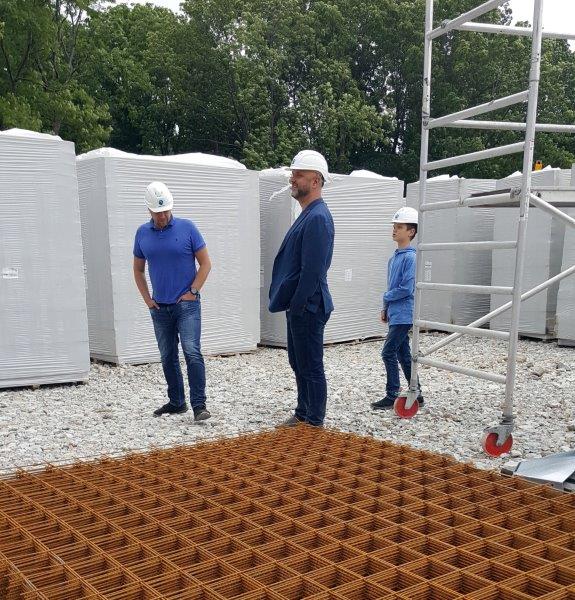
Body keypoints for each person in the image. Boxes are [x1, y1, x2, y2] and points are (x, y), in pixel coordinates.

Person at [133, 181, 212, 421]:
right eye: (158, 212)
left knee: (191, 351)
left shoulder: (188, 228)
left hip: (186, 305)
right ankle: (177, 402)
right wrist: (147, 300)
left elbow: (205, 263)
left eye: (166, 211)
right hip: (160, 307)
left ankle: (199, 405)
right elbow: (138, 269)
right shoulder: (142, 233)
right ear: (149, 210)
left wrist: (193, 291)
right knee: (167, 355)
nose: (163, 216)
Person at [269, 150, 335, 428]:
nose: (292, 179)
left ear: (316, 181)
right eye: (293, 174)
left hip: (309, 305)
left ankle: (314, 421)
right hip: (302, 304)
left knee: (310, 365)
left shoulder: (318, 217)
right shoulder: (309, 214)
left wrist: (297, 304)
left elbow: (313, 270)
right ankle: (303, 413)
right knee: (299, 362)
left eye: (299, 174)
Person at [372, 206, 423, 410]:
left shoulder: (411, 258)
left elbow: (406, 289)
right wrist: (385, 308)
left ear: (411, 231)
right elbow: (391, 286)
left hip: (405, 314)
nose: (394, 230)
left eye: (399, 227)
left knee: (388, 352)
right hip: (395, 314)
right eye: (394, 226)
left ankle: (392, 393)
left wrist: (386, 297)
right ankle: (417, 392)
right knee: (403, 353)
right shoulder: (393, 258)